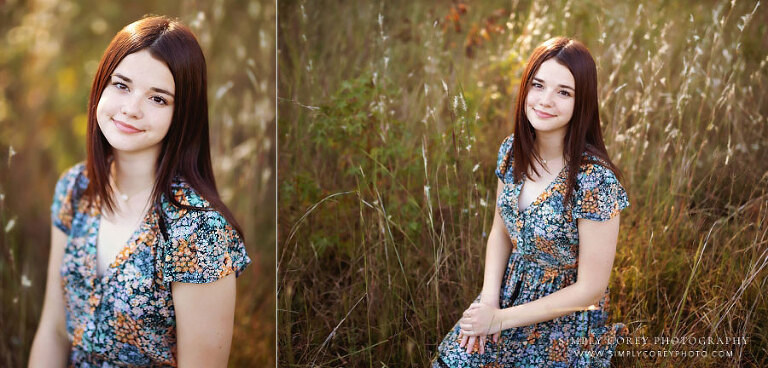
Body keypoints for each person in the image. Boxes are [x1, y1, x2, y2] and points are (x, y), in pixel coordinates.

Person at [28, 16, 250, 367]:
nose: (131, 109)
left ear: (182, 114)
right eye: (121, 85)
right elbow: (54, 330)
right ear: (101, 84)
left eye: (158, 99)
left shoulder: (199, 231)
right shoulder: (75, 188)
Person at [433, 37, 629, 367]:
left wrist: (500, 321)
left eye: (563, 92)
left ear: (582, 103)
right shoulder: (512, 152)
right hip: (508, 291)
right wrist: (489, 302)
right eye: (538, 85)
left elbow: (590, 290)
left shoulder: (595, 180)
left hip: (564, 316)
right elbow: (500, 232)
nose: (545, 101)